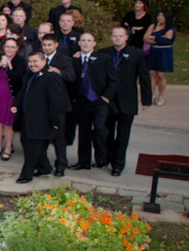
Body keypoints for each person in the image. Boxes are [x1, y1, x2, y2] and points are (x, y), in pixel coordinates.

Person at [98, 26, 152, 175]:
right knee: (107, 132)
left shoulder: (136, 54)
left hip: (127, 99)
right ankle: (108, 156)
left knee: (123, 134)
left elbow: (144, 77)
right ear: (111, 37)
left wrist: (146, 99)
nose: (117, 38)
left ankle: (118, 164)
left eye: (120, 36)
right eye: (115, 36)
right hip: (109, 100)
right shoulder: (103, 53)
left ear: (126, 37)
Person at [14, 52, 68, 183]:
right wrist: (15, 104)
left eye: (35, 61)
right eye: (30, 62)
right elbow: (22, 93)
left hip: (42, 120)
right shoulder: (29, 76)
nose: (32, 64)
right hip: (28, 118)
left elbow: (56, 101)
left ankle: (26, 175)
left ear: (44, 62)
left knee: (32, 148)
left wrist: (55, 121)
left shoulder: (51, 77)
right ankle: (44, 167)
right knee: (26, 141)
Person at [68, 32, 118, 171]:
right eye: (83, 40)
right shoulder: (75, 60)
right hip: (81, 101)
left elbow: (113, 80)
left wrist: (106, 97)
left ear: (94, 43)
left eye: (89, 40)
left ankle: (102, 156)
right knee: (83, 132)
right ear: (79, 43)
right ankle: (83, 162)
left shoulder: (104, 59)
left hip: (98, 100)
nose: (85, 43)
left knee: (99, 128)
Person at [0, 38, 25, 162]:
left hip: (11, 95)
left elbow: (17, 78)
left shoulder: (20, 61)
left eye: (12, 47)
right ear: (3, 47)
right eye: (7, 46)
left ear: (17, 48)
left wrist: (8, 65)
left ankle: (8, 148)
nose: (10, 49)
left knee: (8, 123)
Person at [41, 34, 76, 176]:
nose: (47, 47)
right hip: (42, 103)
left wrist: (58, 71)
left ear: (56, 45)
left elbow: (71, 76)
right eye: (44, 45)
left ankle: (61, 164)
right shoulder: (38, 57)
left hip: (59, 104)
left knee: (59, 137)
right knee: (42, 135)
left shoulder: (64, 59)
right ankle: (43, 164)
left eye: (49, 45)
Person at [144, 10, 176, 106]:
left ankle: (161, 95)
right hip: (153, 51)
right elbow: (145, 38)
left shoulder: (171, 28)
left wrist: (153, 38)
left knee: (161, 74)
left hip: (164, 52)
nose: (160, 17)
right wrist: (157, 40)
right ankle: (151, 94)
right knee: (151, 73)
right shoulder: (153, 26)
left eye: (162, 16)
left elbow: (166, 40)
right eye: (158, 15)